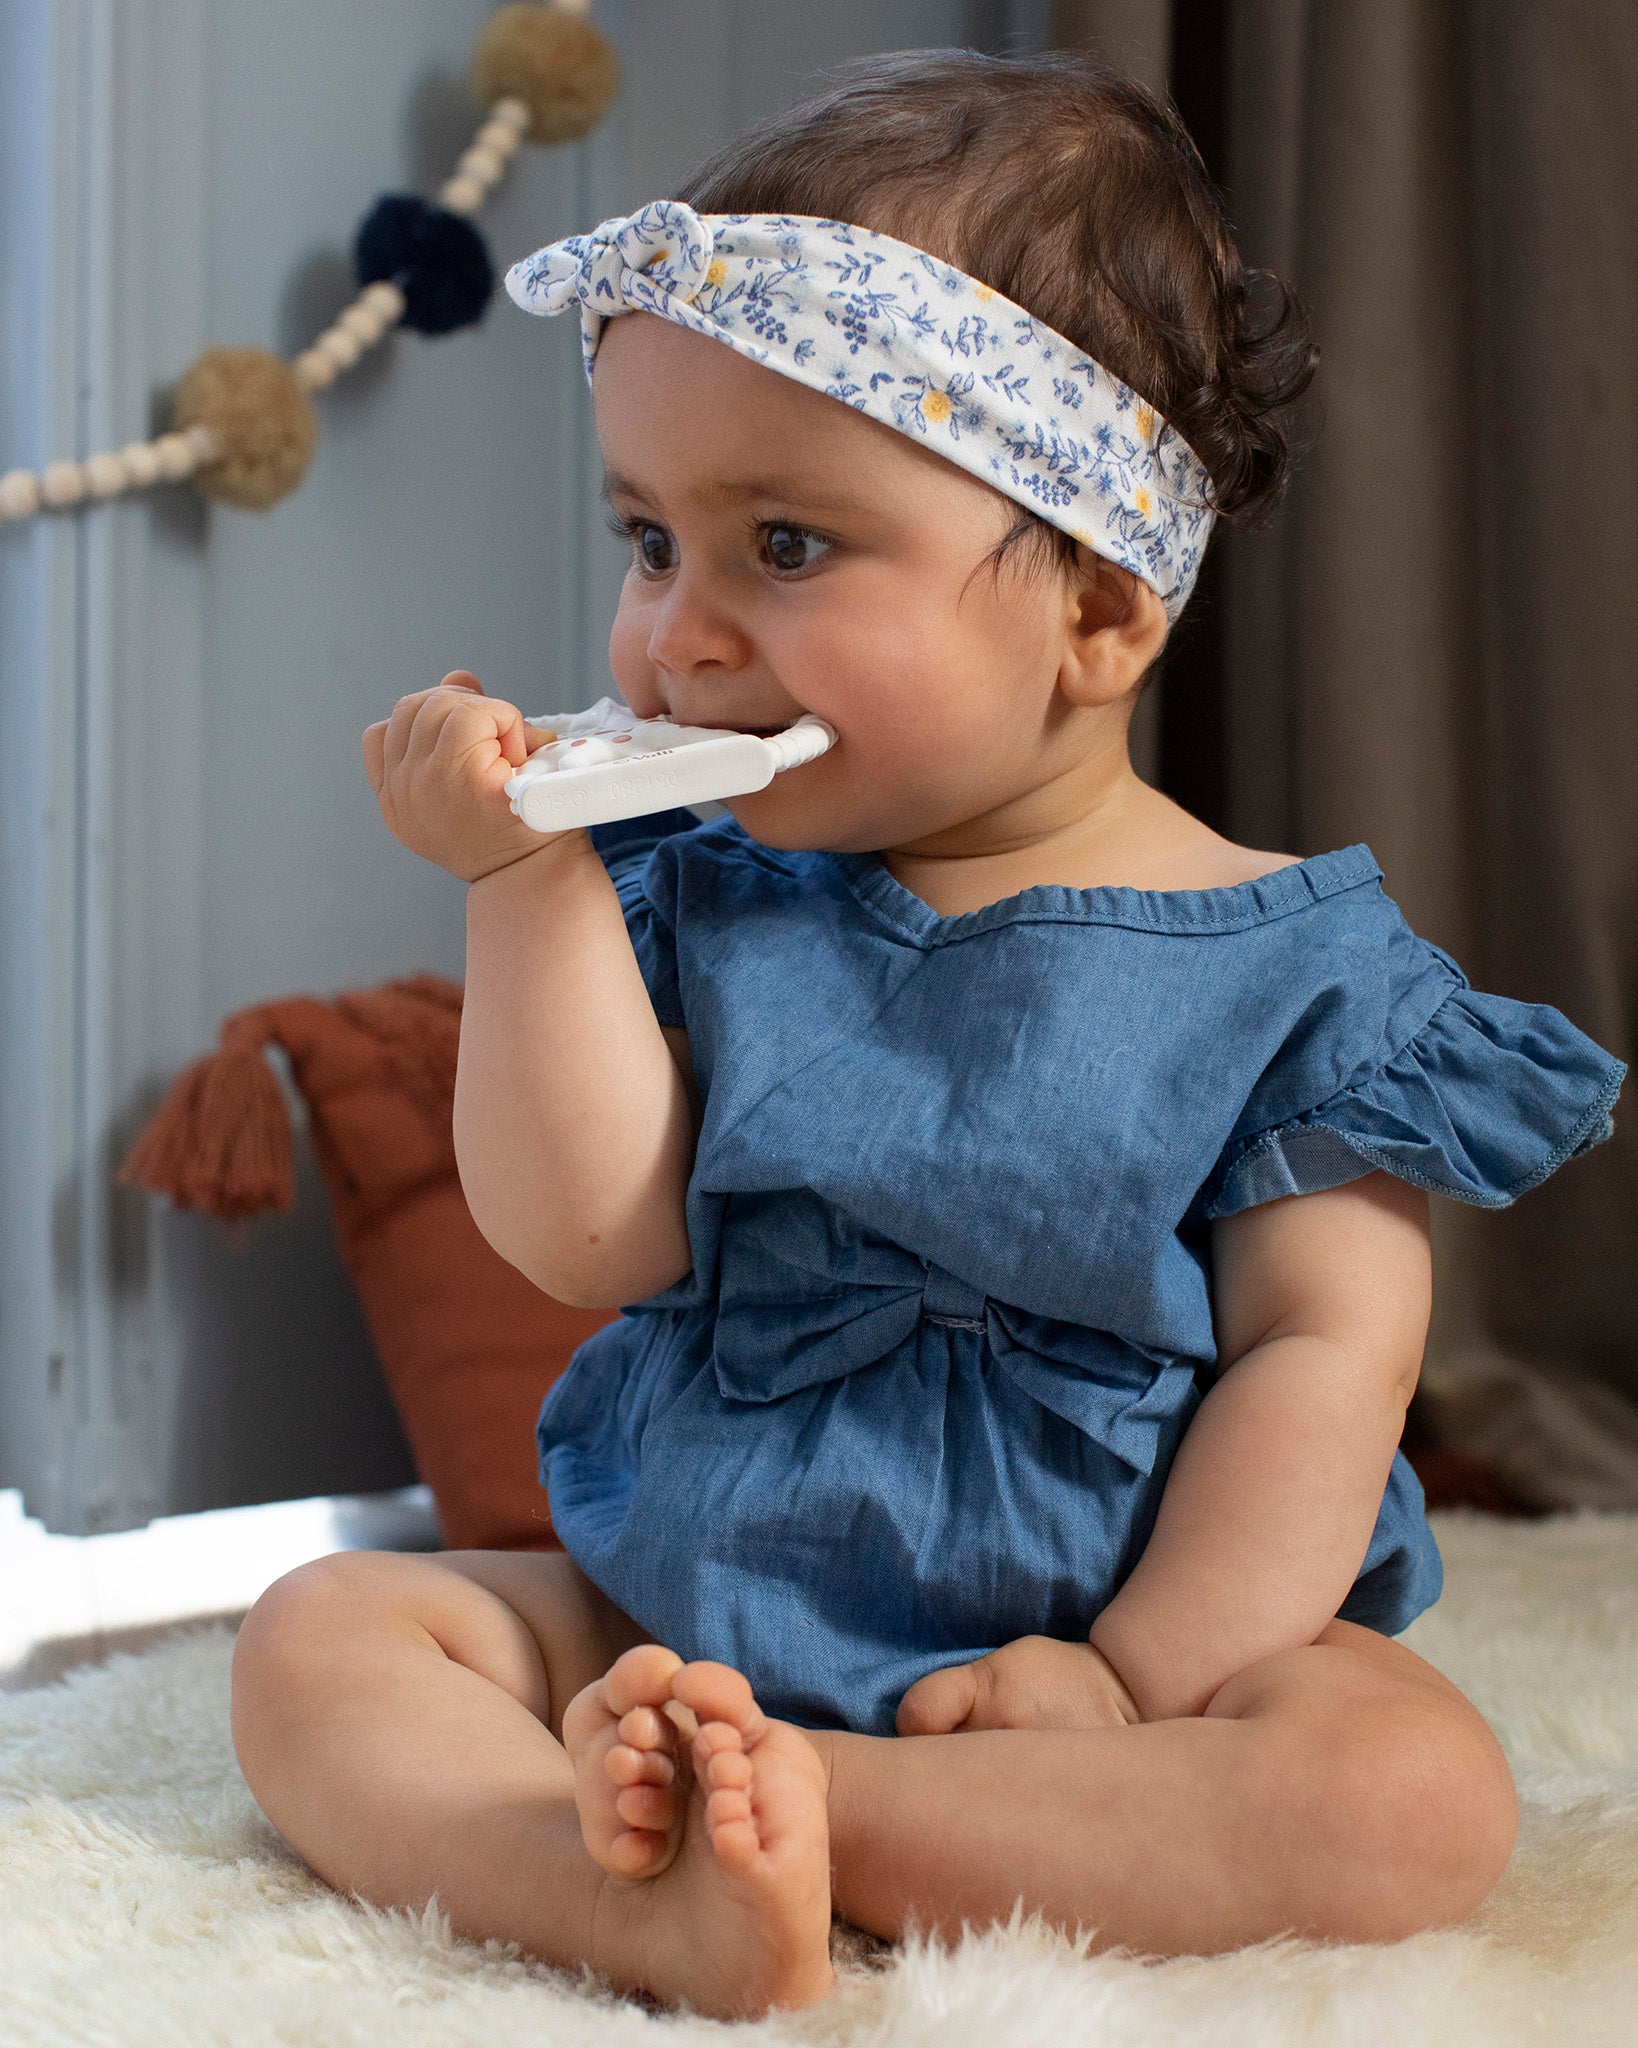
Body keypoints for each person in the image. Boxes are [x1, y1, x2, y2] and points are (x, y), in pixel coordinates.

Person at [230, 51, 1626, 2020]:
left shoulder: (1298, 977)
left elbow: (1326, 1360)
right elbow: (591, 1237)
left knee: (1410, 1795)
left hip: (1113, 1645)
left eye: (783, 547)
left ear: (1104, 610)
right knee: (319, 1639)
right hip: (696, 1590)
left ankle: (818, 1821)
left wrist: (1136, 1681)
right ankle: (606, 1874)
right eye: (649, 540)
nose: (676, 638)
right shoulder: (704, 890)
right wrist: (525, 877)